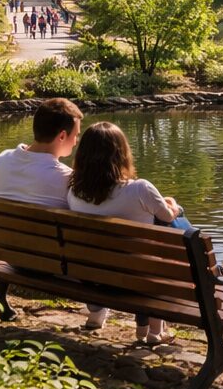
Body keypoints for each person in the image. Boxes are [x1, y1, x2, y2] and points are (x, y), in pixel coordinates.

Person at [68, 122, 186, 340]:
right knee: (176, 222)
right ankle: (155, 330)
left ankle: (140, 326)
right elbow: (168, 217)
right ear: (121, 154)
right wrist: (174, 205)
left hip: (93, 275)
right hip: (139, 276)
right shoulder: (139, 188)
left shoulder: (73, 191)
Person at [0, 98, 81, 207]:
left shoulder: (3, 159)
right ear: (62, 136)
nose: (76, 141)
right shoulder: (67, 178)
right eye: (75, 135)